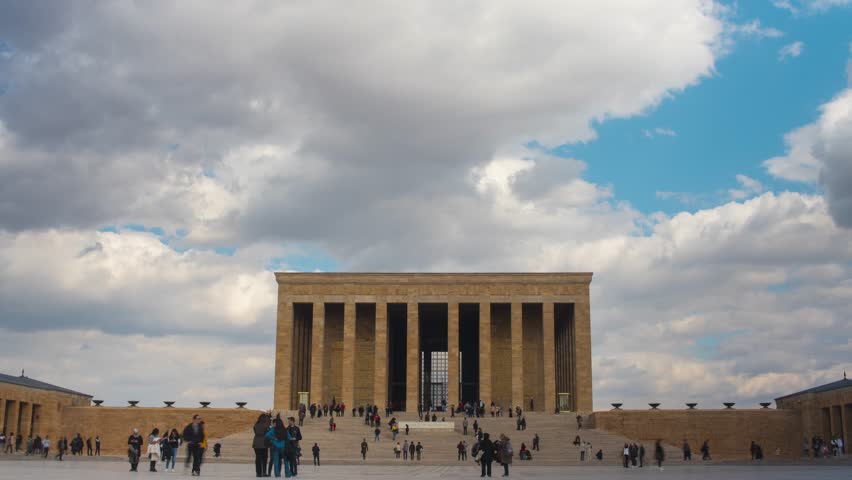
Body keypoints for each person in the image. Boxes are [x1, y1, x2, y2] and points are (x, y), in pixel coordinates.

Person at [253, 413, 271, 478]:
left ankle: (258, 473)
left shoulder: (256, 425)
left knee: (258, 458)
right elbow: (268, 433)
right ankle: (264, 472)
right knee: (264, 458)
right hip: (263, 443)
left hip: (256, 442)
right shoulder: (266, 425)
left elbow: (255, 432)